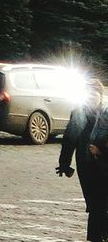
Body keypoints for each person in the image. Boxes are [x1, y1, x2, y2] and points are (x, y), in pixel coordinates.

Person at [58, 80, 108, 242]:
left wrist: (101, 151)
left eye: (95, 95)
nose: (92, 98)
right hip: (87, 166)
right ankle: (97, 237)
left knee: (100, 205)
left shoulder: (107, 114)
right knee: (95, 205)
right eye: (89, 95)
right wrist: (64, 163)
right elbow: (69, 139)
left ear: (101, 96)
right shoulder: (78, 114)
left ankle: (98, 236)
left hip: (105, 164)